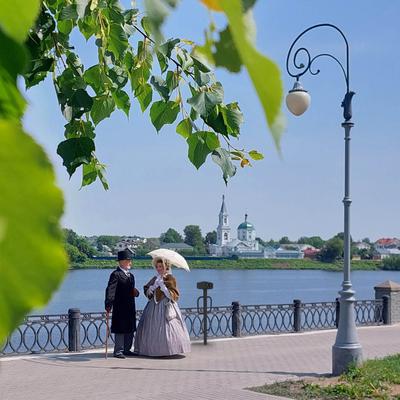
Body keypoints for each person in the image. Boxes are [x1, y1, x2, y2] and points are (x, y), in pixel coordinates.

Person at [134, 257, 191, 356]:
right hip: (153, 306)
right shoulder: (155, 278)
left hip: (166, 305)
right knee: (151, 327)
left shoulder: (170, 278)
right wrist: (151, 289)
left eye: (160, 266)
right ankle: (152, 350)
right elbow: (147, 292)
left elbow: (174, 296)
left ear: (166, 266)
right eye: (157, 267)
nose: (158, 268)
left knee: (167, 328)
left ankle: (168, 350)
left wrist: (164, 288)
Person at [105, 249, 139, 359]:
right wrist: (108, 304)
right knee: (120, 328)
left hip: (130, 306)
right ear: (121, 262)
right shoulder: (116, 274)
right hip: (120, 307)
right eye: (128, 260)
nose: (130, 262)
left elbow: (130, 289)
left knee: (130, 327)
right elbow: (110, 290)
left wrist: (135, 292)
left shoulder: (131, 276)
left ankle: (127, 349)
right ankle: (118, 351)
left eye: (130, 260)